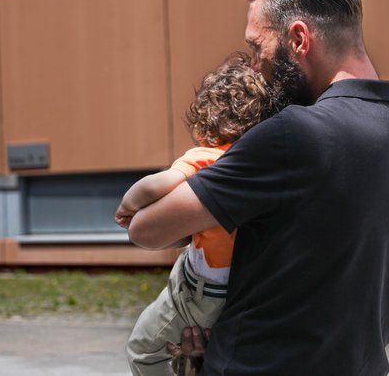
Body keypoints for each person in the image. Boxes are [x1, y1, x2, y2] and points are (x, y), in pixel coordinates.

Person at [125, 0, 389, 375]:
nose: (255, 66)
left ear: (298, 39)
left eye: (258, 48)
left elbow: (146, 228)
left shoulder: (294, 135)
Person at [116, 52, 276, 376]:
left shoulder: (209, 159)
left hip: (201, 291)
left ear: (207, 118)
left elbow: (159, 183)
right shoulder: (266, 165)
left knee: (143, 350)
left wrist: (127, 207)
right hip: (234, 290)